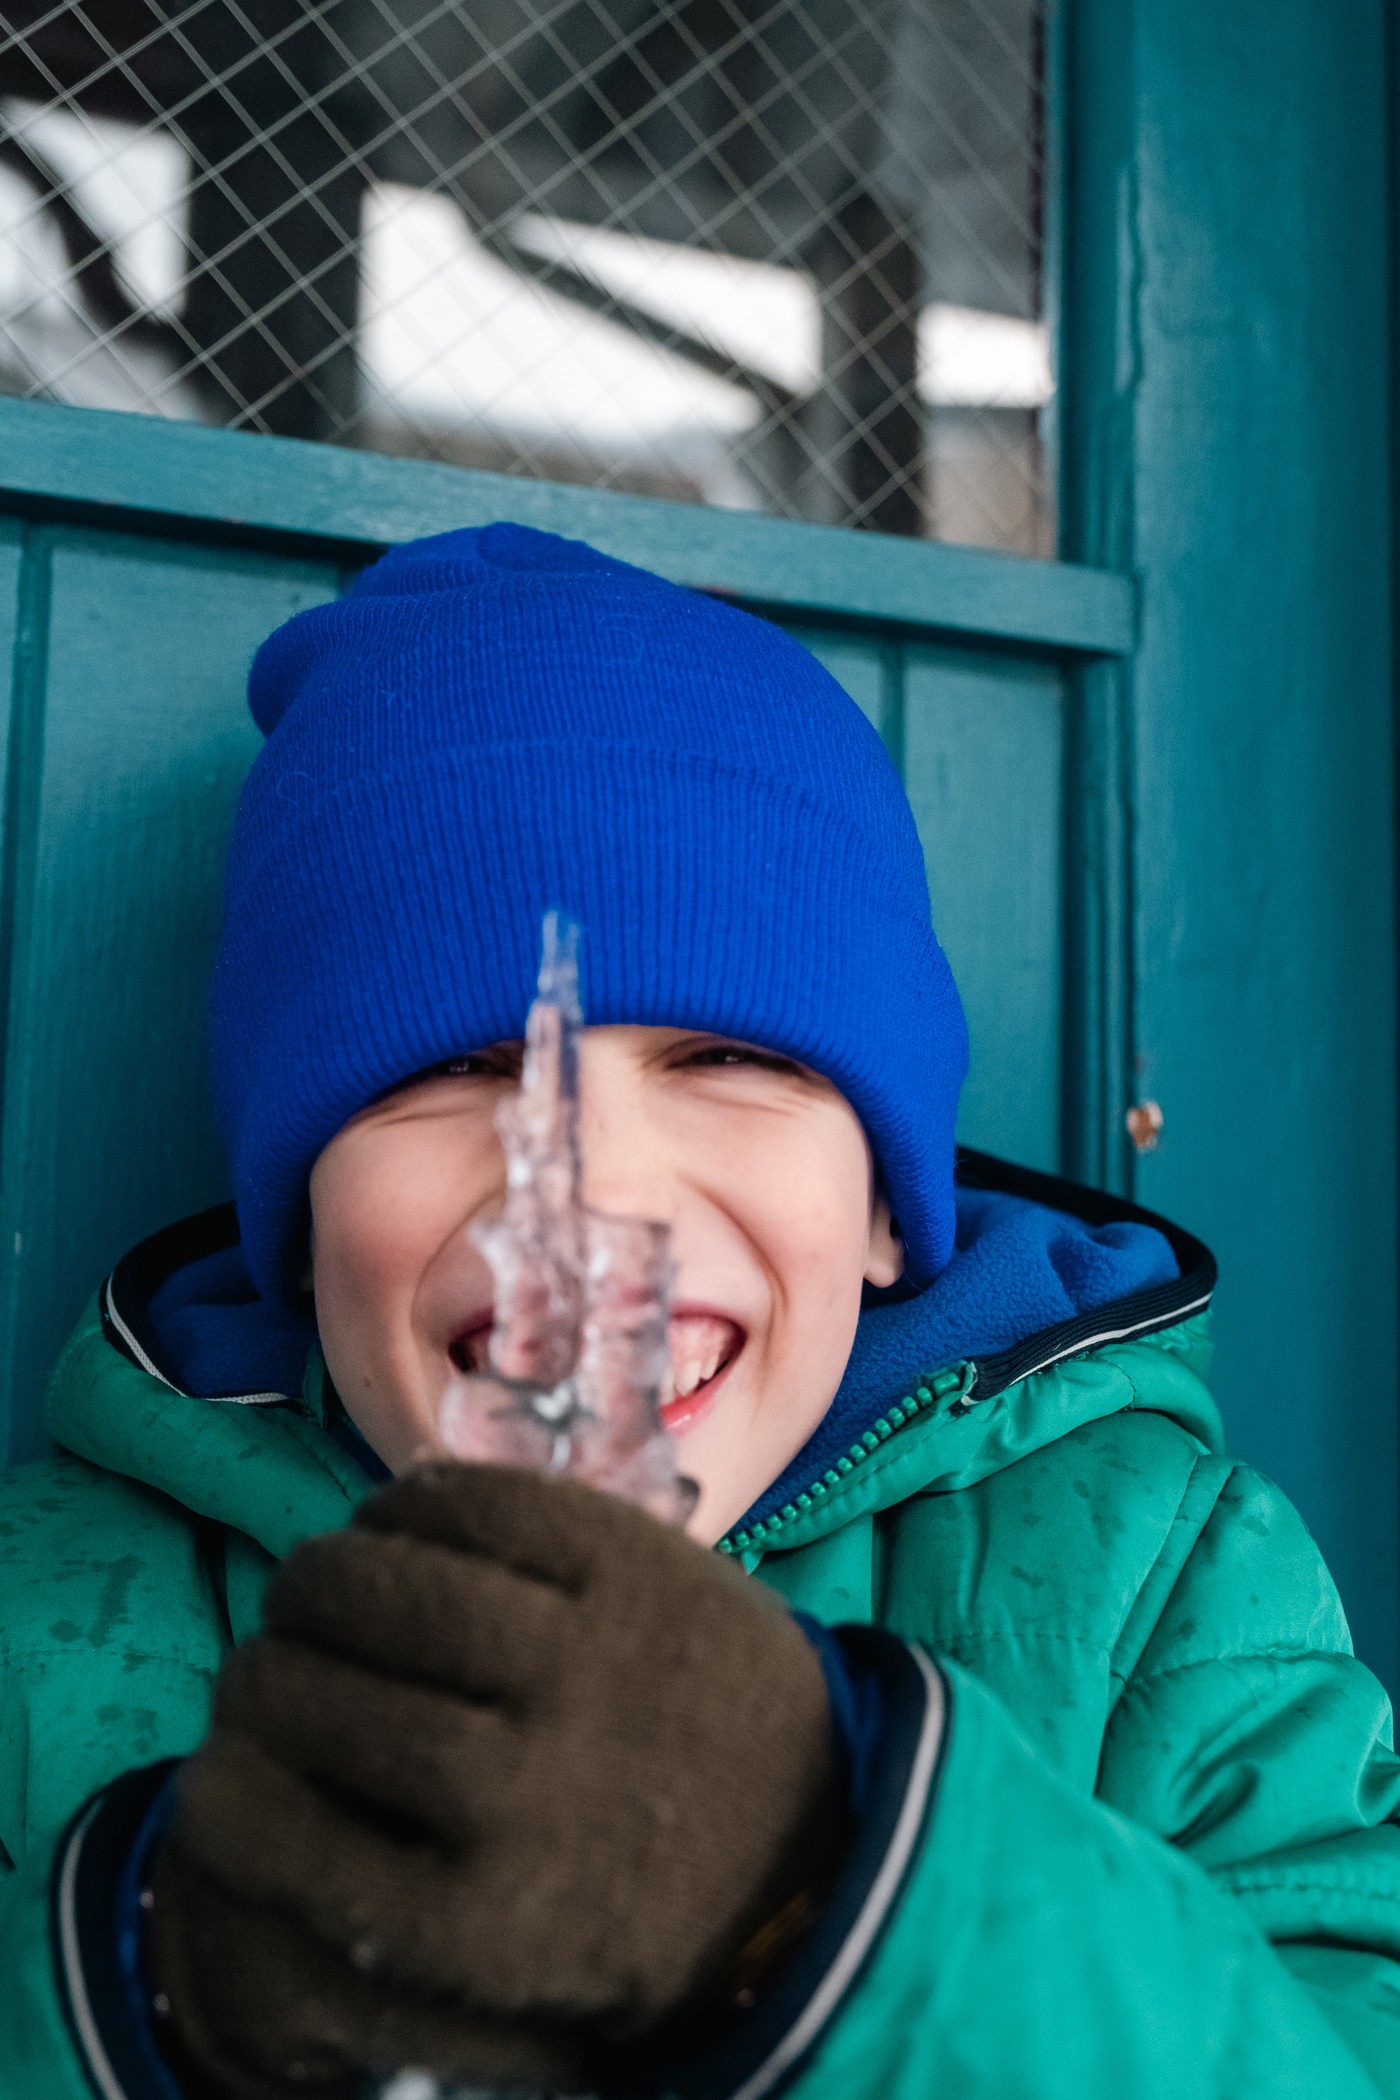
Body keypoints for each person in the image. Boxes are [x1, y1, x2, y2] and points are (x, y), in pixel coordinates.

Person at [1, 522, 1397, 2100]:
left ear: (887, 1209)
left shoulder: (1160, 1590)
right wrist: (148, 1991)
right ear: (300, 1232)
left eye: (727, 1058)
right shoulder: (35, 1624)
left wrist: (827, 1871)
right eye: (450, 1067)